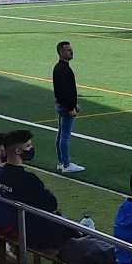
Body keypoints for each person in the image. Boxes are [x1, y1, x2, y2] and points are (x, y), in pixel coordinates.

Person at [0, 130, 79, 249]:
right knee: (81, 233)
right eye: (28, 146)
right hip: (37, 233)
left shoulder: (0, 175)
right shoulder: (28, 179)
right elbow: (51, 204)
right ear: (18, 151)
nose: (31, 148)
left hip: (20, 225)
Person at [53, 41, 85, 173]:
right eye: (68, 50)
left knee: (61, 134)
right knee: (65, 135)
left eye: (71, 49)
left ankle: (61, 162)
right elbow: (63, 91)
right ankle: (66, 164)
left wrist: (74, 103)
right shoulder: (63, 69)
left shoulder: (61, 68)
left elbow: (67, 90)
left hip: (63, 105)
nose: (71, 52)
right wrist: (71, 107)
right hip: (65, 106)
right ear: (61, 52)